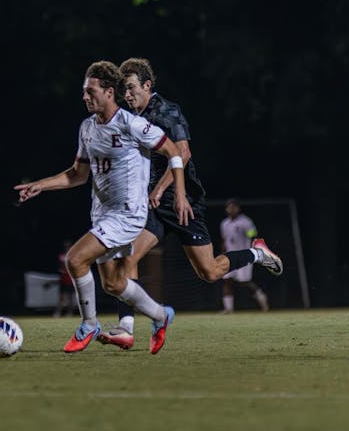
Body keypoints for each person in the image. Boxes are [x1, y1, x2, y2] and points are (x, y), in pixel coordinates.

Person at [98, 58, 283, 350]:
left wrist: (169, 191)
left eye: (131, 88)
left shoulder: (167, 111)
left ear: (147, 85)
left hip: (183, 202)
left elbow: (182, 154)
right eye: (124, 90)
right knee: (127, 258)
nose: (127, 94)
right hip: (152, 205)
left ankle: (256, 253)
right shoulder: (130, 118)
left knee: (209, 272)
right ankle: (126, 328)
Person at [14, 60, 194, 354]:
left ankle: (89, 324)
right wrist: (40, 185)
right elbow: (78, 174)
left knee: (75, 260)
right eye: (84, 91)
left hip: (128, 215)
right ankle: (161, 316)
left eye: (91, 91)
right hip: (102, 214)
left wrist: (180, 194)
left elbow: (174, 152)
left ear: (109, 92)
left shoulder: (131, 124)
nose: (85, 97)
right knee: (113, 283)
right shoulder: (87, 128)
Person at [220, 198, 269, 312]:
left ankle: (261, 297)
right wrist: (222, 254)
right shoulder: (224, 223)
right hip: (230, 256)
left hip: (244, 256)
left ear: (238, 208)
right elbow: (224, 240)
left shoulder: (246, 222)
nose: (231, 210)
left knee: (244, 281)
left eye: (233, 207)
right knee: (227, 280)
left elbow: (253, 235)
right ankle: (228, 309)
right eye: (229, 207)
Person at [52, 239, 76, 318]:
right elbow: (59, 267)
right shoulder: (61, 256)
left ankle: (70, 313)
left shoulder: (73, 255)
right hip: (63, 279)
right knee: (61, 297)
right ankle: (58, 312)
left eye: (68, 246)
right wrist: (61, 270)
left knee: (70, 297)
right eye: (65, 246)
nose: (67, 248)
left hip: (70, 279)